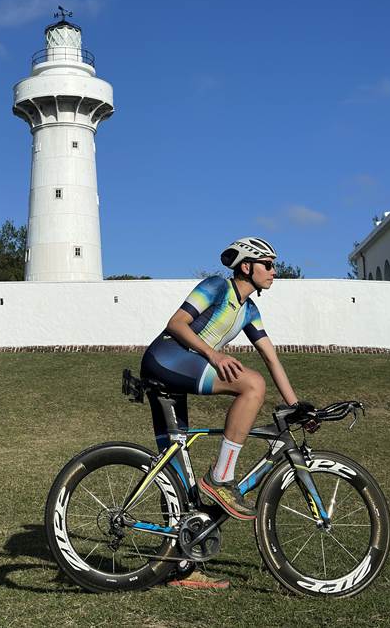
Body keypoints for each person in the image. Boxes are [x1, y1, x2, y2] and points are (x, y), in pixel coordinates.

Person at [140, 237, 301, 590]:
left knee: (177, 477)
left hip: (176, 368)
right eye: (268, 265)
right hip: (167, 357)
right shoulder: (216, 286)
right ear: (247, 267)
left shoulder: (250, 310)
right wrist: (214, 356)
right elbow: (176, 324)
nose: (275, 271)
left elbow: (272, 358)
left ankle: (180, 567)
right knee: (252, 385)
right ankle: (220, 478)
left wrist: (296, 405)